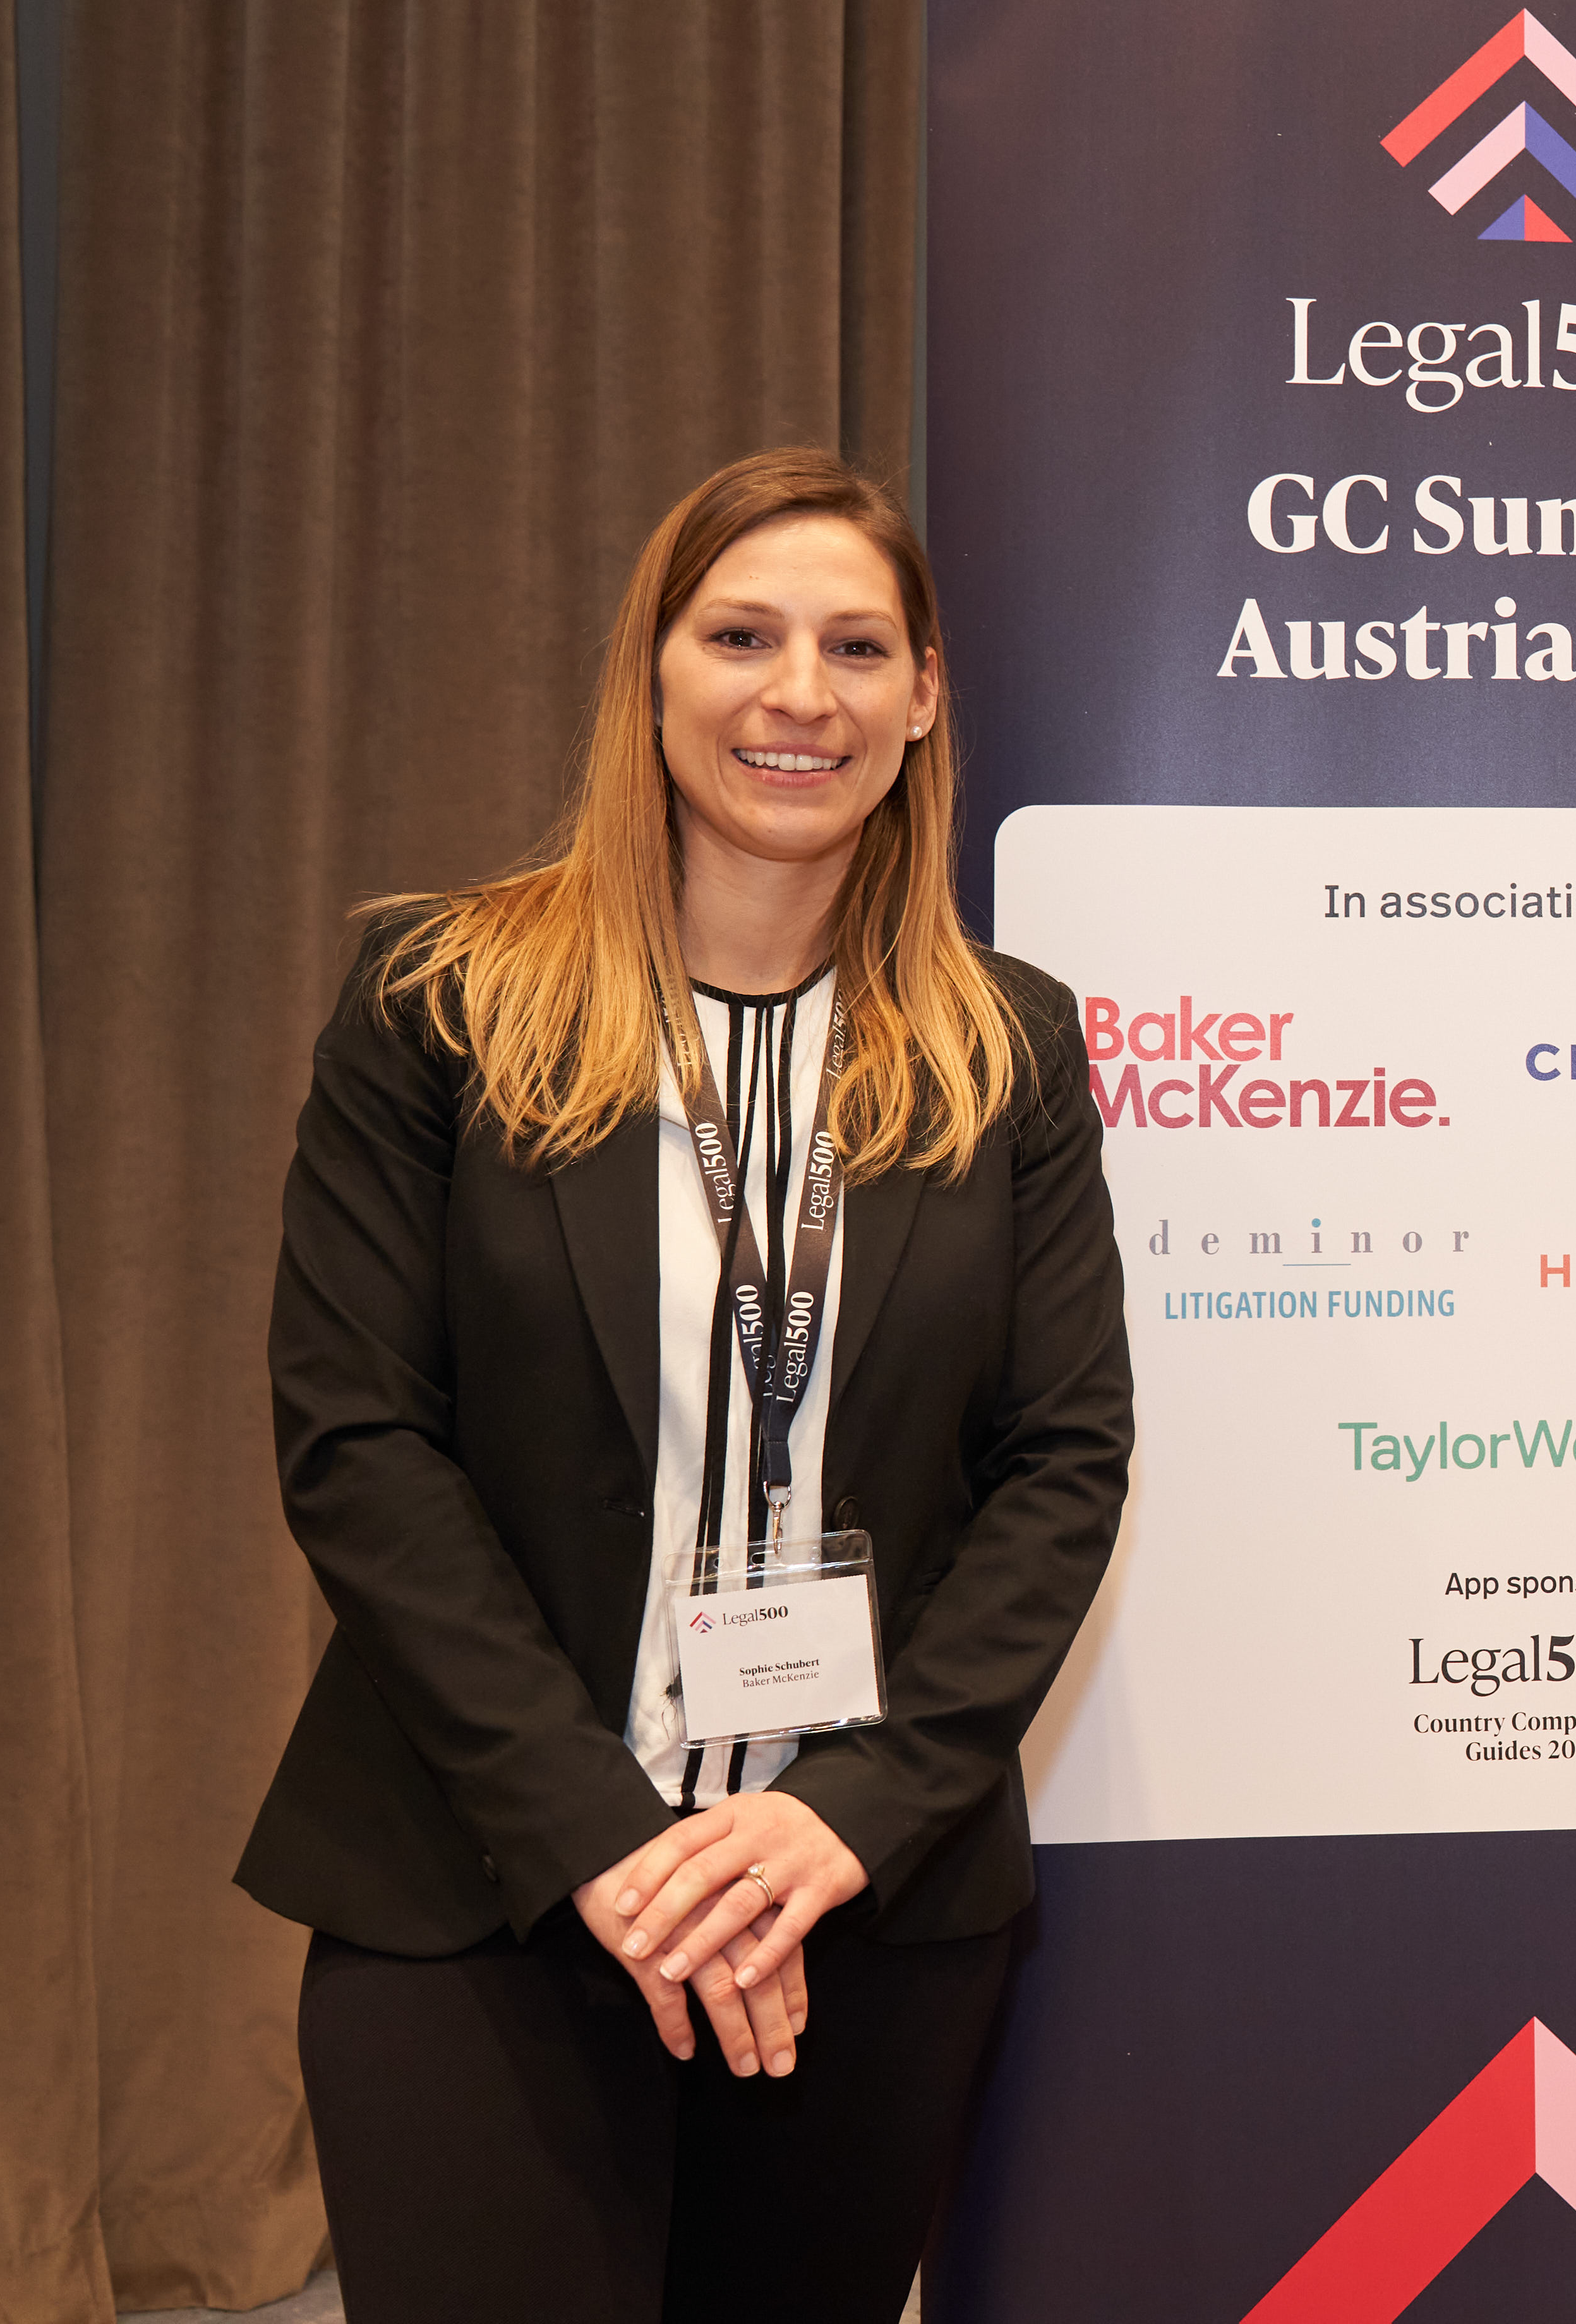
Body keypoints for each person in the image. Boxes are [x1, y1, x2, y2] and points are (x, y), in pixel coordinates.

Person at [240, 450, 1134, 2324]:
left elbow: (1063, 1462)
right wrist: (607, 1844)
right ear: (650, 673)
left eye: (856, 648)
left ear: (924, 697)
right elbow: (360, 1446)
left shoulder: (1009, 1047)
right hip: (486, 1886)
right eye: (741, 637)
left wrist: (846, 1815)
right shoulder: (440, 1000)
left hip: (861, 1908)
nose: (800, 694)